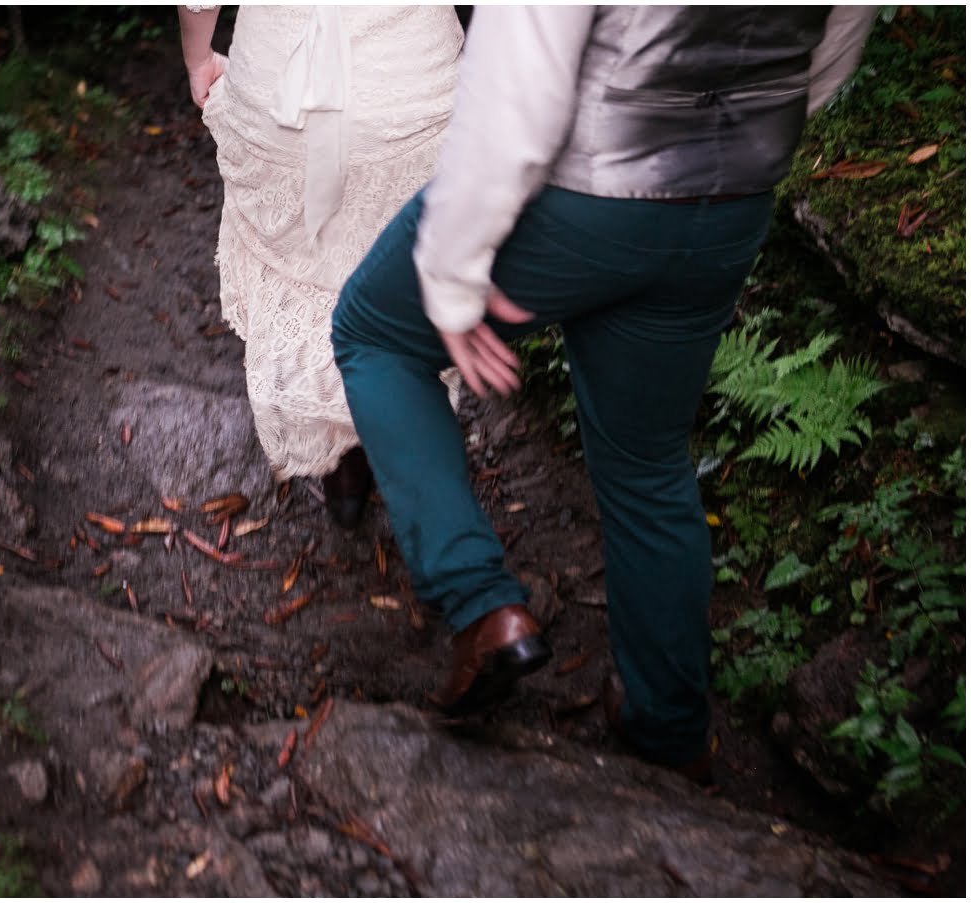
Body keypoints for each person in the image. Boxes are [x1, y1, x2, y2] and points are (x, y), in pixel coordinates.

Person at [330, 6, 875, 782]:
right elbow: (832, 49)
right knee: (649, 461)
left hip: (579, 188)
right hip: (727, 201)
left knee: (375, 332)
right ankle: (669, 724)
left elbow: (519, 71)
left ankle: (480, 603)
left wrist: (452, 268)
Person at [178, 5, 464, 526]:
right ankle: (412, 458)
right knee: (408, 274)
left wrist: (198, 55)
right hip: (409, 82)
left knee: (315, 270)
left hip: (283, 86)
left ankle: (346, 470)